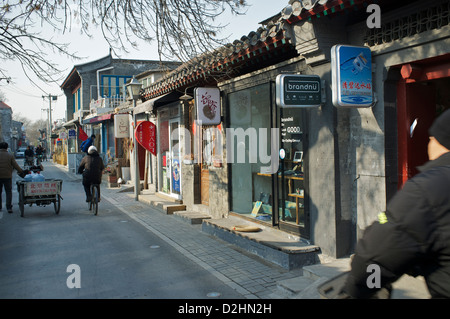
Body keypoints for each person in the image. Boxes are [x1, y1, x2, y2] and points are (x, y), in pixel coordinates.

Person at [344, 108, 450, 299]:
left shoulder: (428, 189)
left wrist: (364, 288)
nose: (428, 143)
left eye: (431, 138)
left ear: (440, 141)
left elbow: (374, 259)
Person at [0, 142, 25, 213]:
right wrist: (21, 171)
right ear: (6, 147)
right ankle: (9, 207)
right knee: (8, 192)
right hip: (7, 176)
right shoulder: (10, 155)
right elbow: (15, 165)